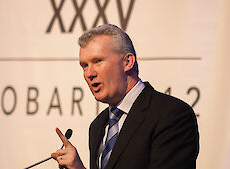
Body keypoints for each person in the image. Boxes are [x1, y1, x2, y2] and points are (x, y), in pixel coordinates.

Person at [51, 24, 199, 169]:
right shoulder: (97, 126)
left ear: (127, 62)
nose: (89, 73)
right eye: (84, 65)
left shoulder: (171, 115)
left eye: (98, 61)